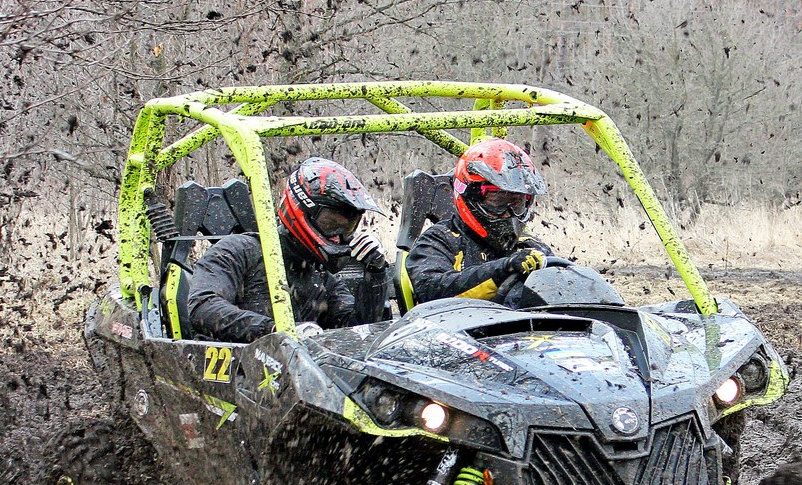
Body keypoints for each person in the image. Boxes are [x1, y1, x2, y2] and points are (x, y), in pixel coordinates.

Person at [186, 157, 390, 343]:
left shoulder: (321, 276)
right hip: (233, 373)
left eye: (347, 228)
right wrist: (277, 331)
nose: (338, 236)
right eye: (331, 224)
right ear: (303, 212)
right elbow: (203, 308)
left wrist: (375, 274)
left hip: (293, 377)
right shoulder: (238, 250)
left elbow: (358, 333)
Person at [404, 137, 556, 305]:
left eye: (517, 203)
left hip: (528, 327)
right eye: (498, 202)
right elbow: (431, 291)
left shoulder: (530, 246)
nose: (508, 214)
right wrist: (503, 269)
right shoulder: (439, 240)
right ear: (470, 195)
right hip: (463, 327)